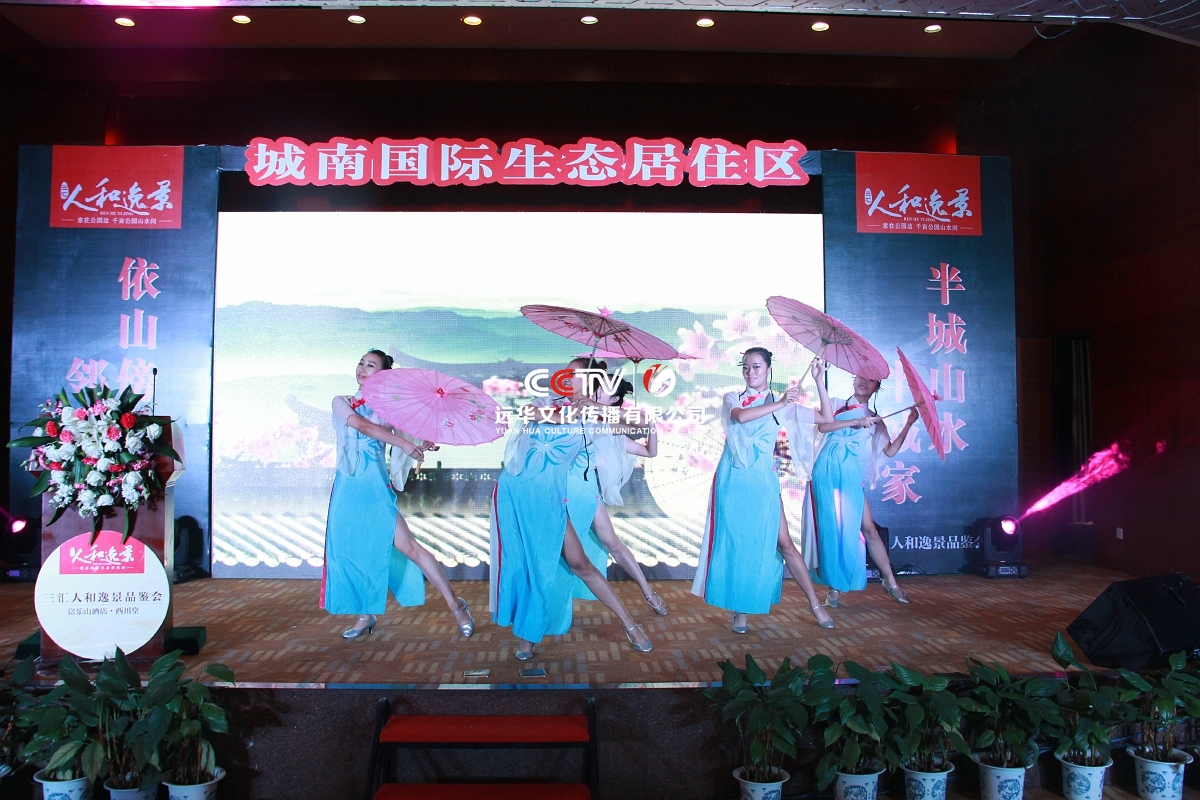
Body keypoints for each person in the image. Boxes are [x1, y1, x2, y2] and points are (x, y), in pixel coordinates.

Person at [490, 357, 654, 661]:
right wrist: (565, 414)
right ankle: (528, 637)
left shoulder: (595, 418)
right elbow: (528, 413)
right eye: (566, 371)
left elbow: (642, 422)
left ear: (590, 381)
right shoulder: (547, 402)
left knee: (580, 565)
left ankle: (630, 624)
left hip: (550, 497)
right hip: (515, 490)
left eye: (575, 373)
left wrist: (594, 408)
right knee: (523, 564)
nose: (565, 376)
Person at [322, 350, 477, 640]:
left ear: (382, 374)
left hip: (374, 489)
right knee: (351, 551)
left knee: (410, 548)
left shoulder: (390, 408)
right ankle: (365, 614)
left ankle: (456, 606)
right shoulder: (341, 401)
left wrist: (422, 441)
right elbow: (362, 426)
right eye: (361, 363)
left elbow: (412, 433)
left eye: (371, 365)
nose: (362, 368)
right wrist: (403, 442)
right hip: (347, 489)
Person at [691, 348, 836, 634]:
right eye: (745, 367)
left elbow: (826, 420)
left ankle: (815, 604)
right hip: (733, 479)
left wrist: (818, 380)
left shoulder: (782, 404)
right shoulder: (733, 398)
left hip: (762, 479)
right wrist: (780, 403)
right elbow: (741, 417)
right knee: (739, 542)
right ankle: (741, 610)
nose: (750, 372)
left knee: (785, 543)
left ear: (768, 369)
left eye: (756, 367)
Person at [804, 374, 920, 606]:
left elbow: (890, 451)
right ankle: (834, 587)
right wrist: (855, 422)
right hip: (826, 469)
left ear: (877, 388)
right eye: (860, 377)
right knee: (833, 528)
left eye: (871, 380)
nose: (863, 382)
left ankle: (890, 581)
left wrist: (909, 423)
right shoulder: (836, 403)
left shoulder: (875, 419)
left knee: (869, 529)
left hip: (849, 472)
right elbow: (824, 426)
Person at [567, 371, 668, 616]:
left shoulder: (609, 425)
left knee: (612, 543)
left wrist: (652, 427)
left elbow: (649, 449)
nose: (597, 391)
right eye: (597, 385)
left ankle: (648, 592)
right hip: (561, 488)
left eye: (605, 389)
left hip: (585, 491)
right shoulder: (576, 411)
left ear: (614, 400)